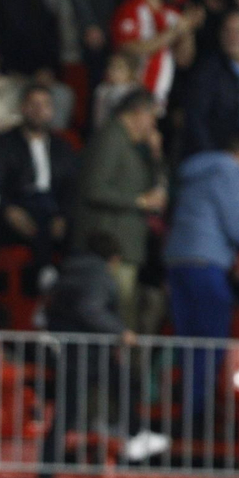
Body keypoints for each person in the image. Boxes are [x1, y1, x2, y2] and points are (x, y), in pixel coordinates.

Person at [39, 230, 170, 469]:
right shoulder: (99, 275)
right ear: (114, 258)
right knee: (123, 384)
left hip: (70, 350)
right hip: (89, 352)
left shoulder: (68, 270)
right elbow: (90, 309)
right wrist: (120, 331)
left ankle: (46, 468)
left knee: (69, 410)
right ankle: (135, 435)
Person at [165, 137, 239, 421]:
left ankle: (188, 408)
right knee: (210, 340)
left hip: (178, 262)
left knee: (188, 340)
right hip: (207, 263)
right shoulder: (231, 172)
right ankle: (197, 413)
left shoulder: (194, 172)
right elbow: (238, 227)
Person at [73, 89, 167, 328]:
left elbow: (154, 188)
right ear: (138, 112)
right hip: (108, 247)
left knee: (128, 314)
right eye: (152, 117)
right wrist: (139, 202)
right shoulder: (111, 138)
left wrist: (156, 155)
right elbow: (94, 188)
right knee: (115, 318)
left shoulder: (134, 146)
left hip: (125, 247)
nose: (154, 125)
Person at [0, 85, 80, 284]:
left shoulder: (62, 146)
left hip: (52, 206)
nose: (39, 110)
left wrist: (63, 216)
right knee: (39, 216)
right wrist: (8, 210)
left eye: (45, 105)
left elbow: (71, 187)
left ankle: (67, 281)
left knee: (75, 224)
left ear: (52, 110)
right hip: (17, 204)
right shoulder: (3, 143)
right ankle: (46, 274)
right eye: (33, 104)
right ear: (23, 107)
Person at [182, 9, 239, 157]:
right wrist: (219, 155)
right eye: (228, 31)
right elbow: (196, 119)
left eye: (238, 31)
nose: (233, 37)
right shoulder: (207, 71)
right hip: (215, 154)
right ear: (220, 34)